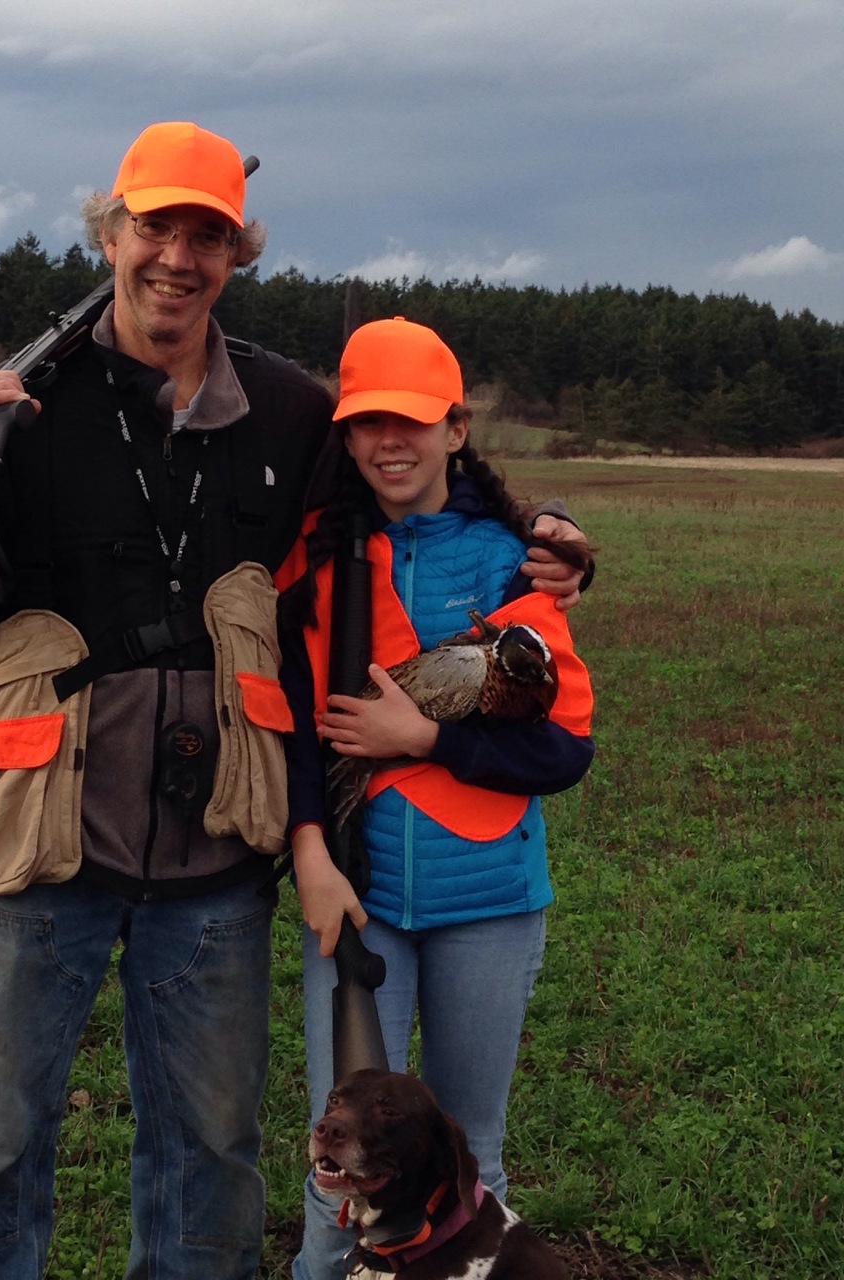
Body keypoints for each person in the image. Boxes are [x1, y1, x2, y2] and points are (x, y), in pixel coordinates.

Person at [0, 127, 588, 1280]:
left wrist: (547, 530)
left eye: (206, 234)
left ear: (235, 255)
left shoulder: (289, 410)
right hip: (35, 846)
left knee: (210, 1161)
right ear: (109, 232)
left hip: (213, 860)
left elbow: (410, 486)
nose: (178, 255)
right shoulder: (21, 402)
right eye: (155, 226)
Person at [276, 318, 596, 1280]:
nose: (390, 442)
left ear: (456, 429)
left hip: (489, 901)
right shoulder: (316, 555)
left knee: (470, 1157)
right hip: (353, 897)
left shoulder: (513, 564)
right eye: (368, 421)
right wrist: (312, 855)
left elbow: (563, 749)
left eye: (412, 420)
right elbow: (291, 723)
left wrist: (426, 739)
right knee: (341, 1164)